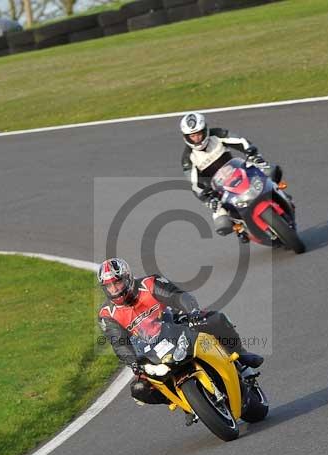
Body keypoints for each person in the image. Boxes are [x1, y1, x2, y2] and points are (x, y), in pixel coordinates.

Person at [97, 257, 264, 414]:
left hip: (178, 325)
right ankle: (182, 401)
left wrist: (193, 312)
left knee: (216, 319)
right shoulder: (108, 314)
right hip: (151, 350)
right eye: (109, 286)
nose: (115, 289)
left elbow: (178, 297)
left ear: (127, 277)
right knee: (139, 389)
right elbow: (119, 343)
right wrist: (134, 363)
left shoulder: (149, 284)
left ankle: (241, 355)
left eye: (117, 283)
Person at [179, 111, 283, 241]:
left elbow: (240, 141)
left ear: (205, 130)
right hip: (219, 190)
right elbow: (194, 184)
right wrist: (208, 198)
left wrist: (253, 155)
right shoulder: (188, 158)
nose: (197, 139)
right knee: (222, 223)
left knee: (270, 171)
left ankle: (279, 194)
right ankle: (241, 229)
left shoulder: (217, 135)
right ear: (186, 137)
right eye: (192, 136)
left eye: (199, 134)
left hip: (240, 172)